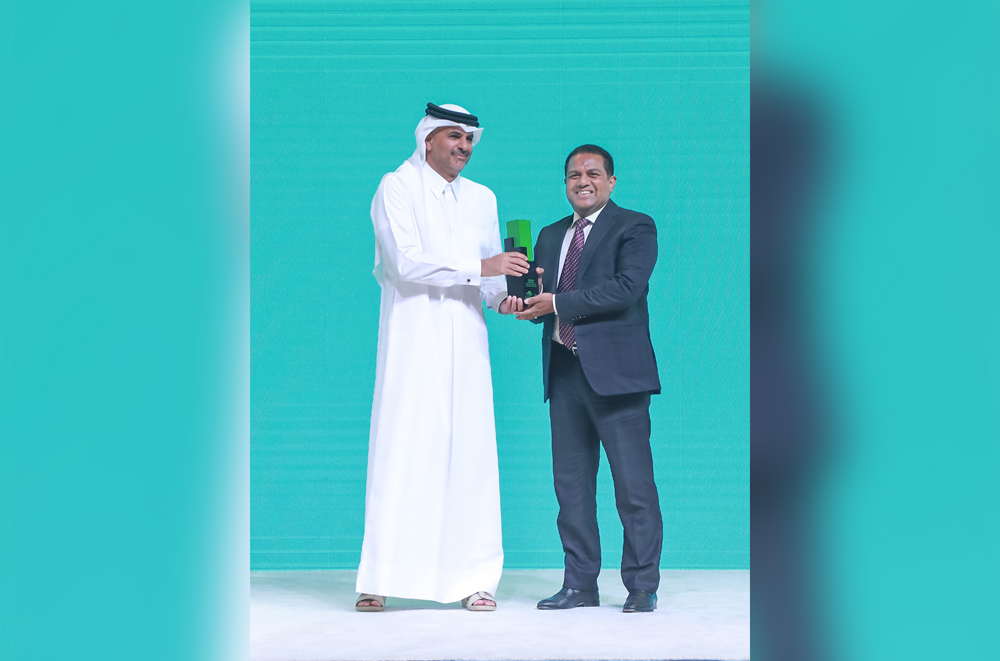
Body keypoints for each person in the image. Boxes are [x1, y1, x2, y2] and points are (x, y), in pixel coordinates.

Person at [356, 103, 528, 612]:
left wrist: (510, 299)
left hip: (468, 340)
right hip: (412, 337)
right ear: (427, 139)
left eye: (470, 139)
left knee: (472, 453)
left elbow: (492, 281)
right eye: (454, 137)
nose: (464, 147)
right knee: (402, 446)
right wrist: (483, 267)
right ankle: (380, 576)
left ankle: (475, 578)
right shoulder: (396, 186)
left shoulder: (482, 198)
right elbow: (405, 262)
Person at [516, 145, 663, 613]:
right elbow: (541, 299)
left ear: (611, 181)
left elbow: (625, 289)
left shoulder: (635, 226)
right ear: (565, 184)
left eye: (593, 173)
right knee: (571, 488)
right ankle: (580, 584)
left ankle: (641, 586)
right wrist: (520, 305)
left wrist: (556, 303)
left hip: (618, 377)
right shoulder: (549, 234)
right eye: (574, 174)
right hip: (564, 374)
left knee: (633, 488)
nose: (583, 180)